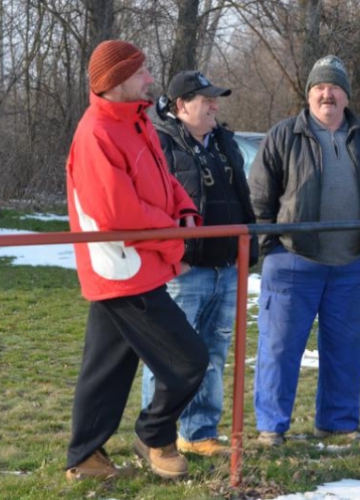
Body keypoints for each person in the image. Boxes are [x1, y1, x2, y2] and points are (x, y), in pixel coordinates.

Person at [64, 40, 209, 481]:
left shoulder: (136, 122)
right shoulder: (97, 134)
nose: (149, 79)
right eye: (141, 73)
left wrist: (184, 210)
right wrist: (174, 243)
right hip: (123, 270)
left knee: (106, 369)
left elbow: (165, 183)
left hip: (134, 267)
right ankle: (153, 434)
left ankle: (86, 458)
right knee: (189, 361)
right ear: (116, 82)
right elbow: (119, 215)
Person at [248, 55, 360, 446]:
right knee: (279, 351)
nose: (326, 94)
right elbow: (260, 201)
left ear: (346, 96)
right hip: (293, 264)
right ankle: (272, 428)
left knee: (346, 352)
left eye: (334, 88)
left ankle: (337, 423)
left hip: (352, 266)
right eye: (319, 87)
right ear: (308, 94)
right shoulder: (283, 135)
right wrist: (272, 253)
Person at [140, 70, 257, 456]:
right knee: (169, 354)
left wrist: (248, 248)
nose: (214, 105)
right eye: (205, 99)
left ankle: (199, 433)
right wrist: (175, 256)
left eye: (215, 99)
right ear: (180, 105)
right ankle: (156, 438)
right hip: (182, 271)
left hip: (226, 267)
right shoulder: (159, 142)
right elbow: (152, 206)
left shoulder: (224, 141)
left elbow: (242, 197)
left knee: (213, 352)